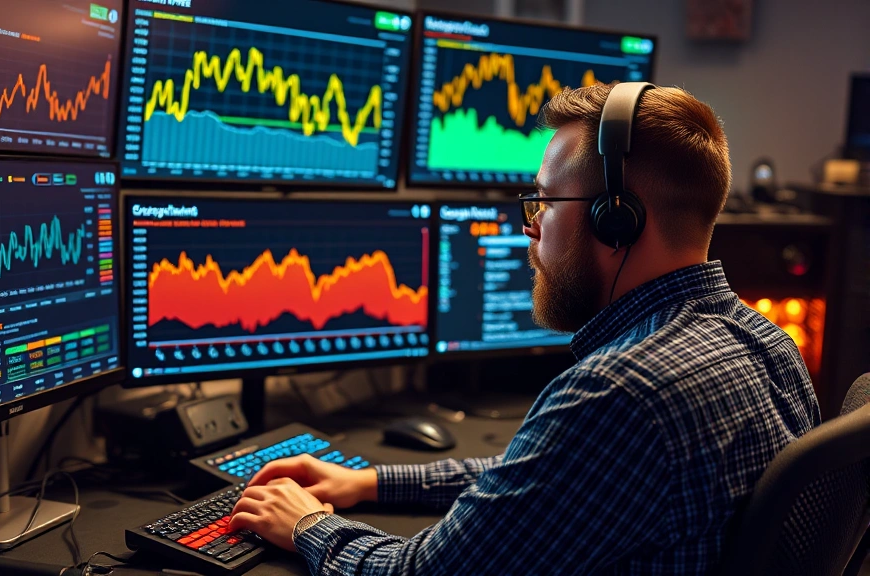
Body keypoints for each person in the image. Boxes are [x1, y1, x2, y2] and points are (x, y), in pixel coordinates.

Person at [228, 83, 822, 574]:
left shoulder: (620, 393)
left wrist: (307, 525)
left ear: (615, 219)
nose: (529, 227)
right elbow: (547, 482)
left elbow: (419, 574)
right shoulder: (765, 343)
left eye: (543, 202)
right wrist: (370, 482)